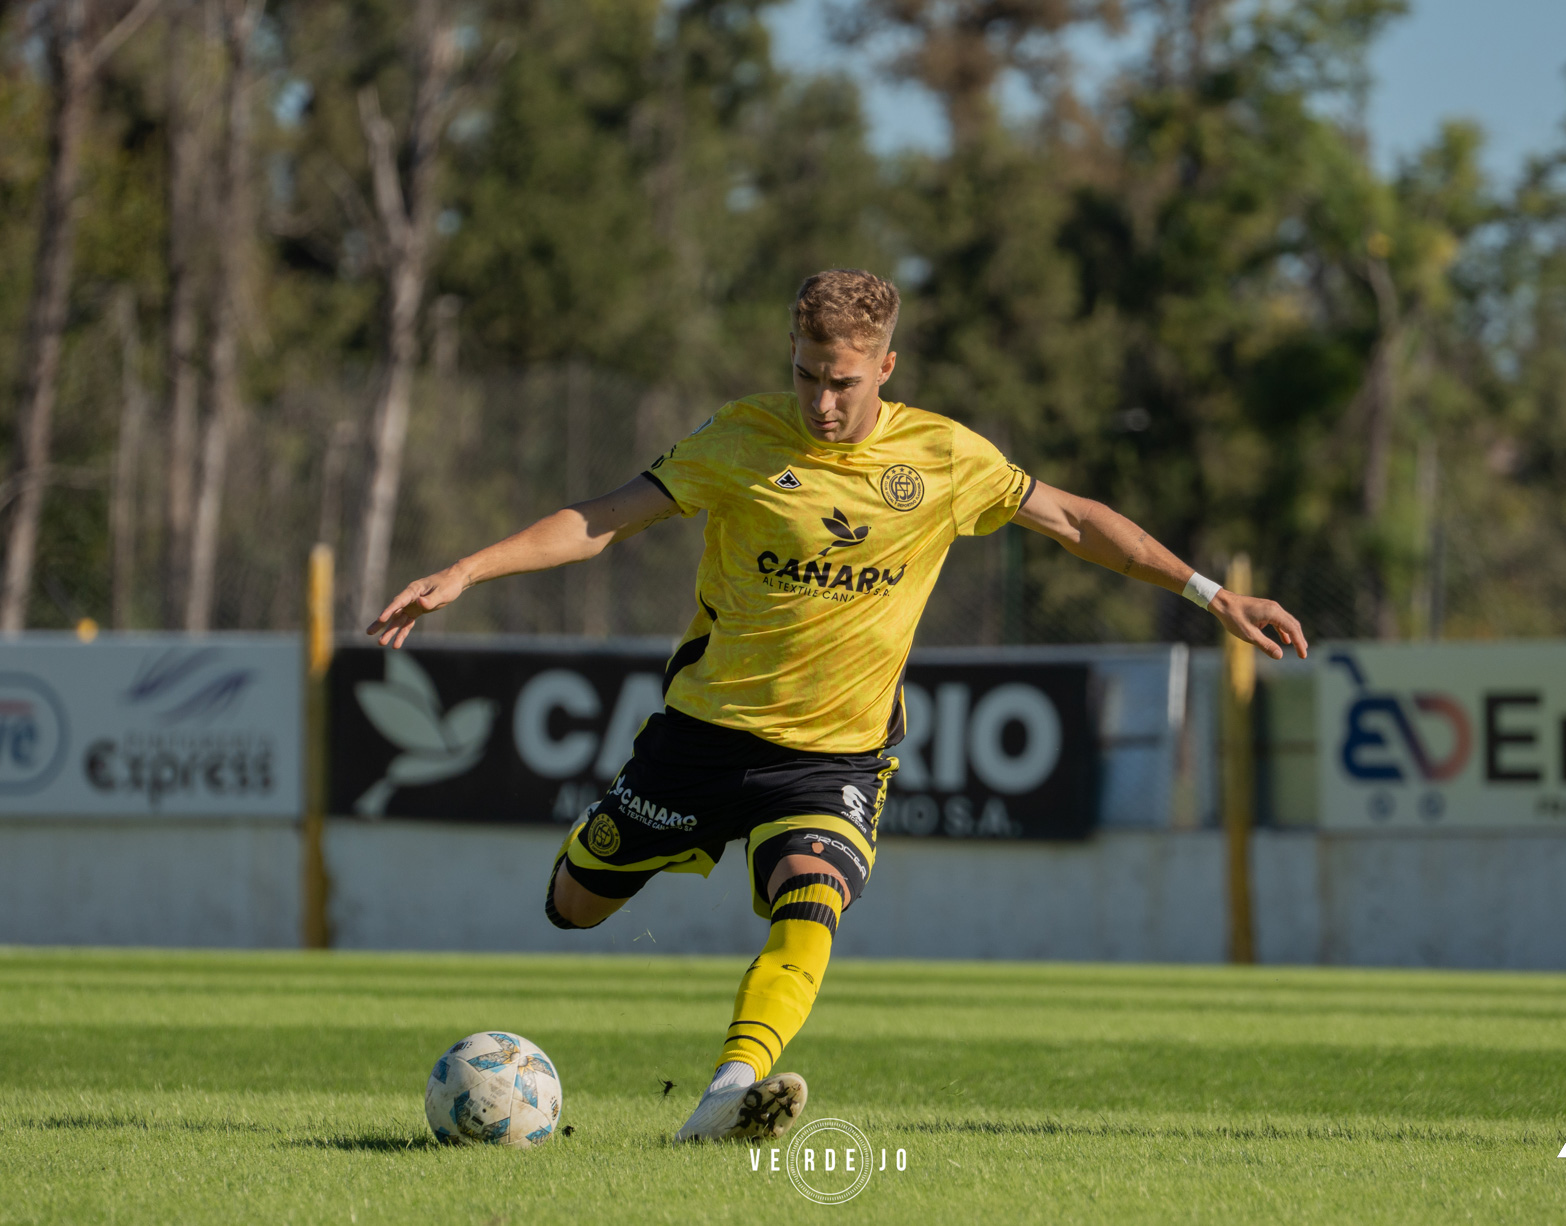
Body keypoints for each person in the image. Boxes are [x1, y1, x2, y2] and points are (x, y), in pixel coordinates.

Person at [367, 268, 1308, 1142]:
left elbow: (1074, 521)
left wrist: (1211, 595)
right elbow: (603, 519)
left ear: (886, 368)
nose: (821, 401)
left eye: (844, 383)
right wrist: (465, 570)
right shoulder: (739, 438)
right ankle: (611, 856)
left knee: (811, 901)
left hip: (835, 757)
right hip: (700, 738)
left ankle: (729, 1093)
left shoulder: (943, 456)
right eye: (808, 376)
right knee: (573, 908)